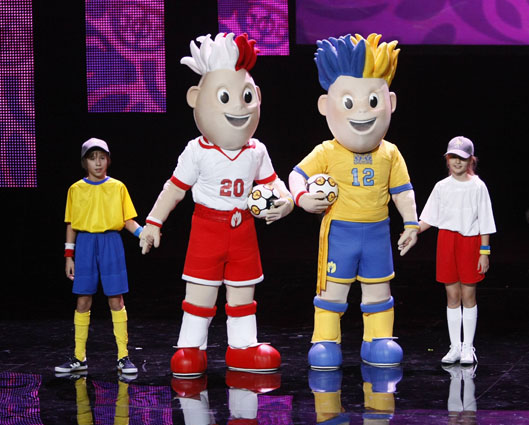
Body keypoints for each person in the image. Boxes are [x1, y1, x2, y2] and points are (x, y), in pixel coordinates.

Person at [139, 33, 293, 377]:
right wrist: (153, 222)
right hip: (207, 228)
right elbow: (174, 189)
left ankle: (243, 348)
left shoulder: (257, 150)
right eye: (225, 97)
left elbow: (274, 184)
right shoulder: (197, 150)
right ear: (196, 98)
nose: (238, 106)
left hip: (244, 230)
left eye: (246, 96)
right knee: (201, 293)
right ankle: (190, 348)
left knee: (242, 293)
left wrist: (285, 203)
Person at [288, 33, 419, 370]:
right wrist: (302, 198)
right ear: (325, 106)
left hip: (377, 232)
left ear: (389, 103)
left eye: (372, 102)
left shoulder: (390, 153)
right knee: (332, 293)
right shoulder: (327, 151)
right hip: (339, 233)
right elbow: (297, 175)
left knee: (378, 292)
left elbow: (402, 191)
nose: (362, 111)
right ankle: (325, 341)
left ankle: (378, 339)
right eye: (349, 102)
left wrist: (411, 222)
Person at [55, 137, 141, 375]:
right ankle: (78, 357)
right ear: (85, 162)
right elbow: (71, 224)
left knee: (116, 299)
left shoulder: (118, 187)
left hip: (110, 243)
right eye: (92, 158)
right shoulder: (76, 189)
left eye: (102, 157)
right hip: (85, 245)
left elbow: (127, 221)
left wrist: (143, 234)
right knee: (83, 300)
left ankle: (123, 357)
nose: (98, 163)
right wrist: (68, 256)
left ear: (108, 160)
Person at [418, 136, 496, 365]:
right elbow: (429, 218)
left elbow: (486, 220)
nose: (457, 162)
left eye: (462, 158)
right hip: (446, 241)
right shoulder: (441, 187)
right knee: (452, 296)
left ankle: (468, 347)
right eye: (453, 157)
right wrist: (412, 231)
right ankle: (454, 347)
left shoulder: (478, 186)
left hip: (470, 243)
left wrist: (484, 251)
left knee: (468, 295)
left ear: (471, 160)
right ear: (447, 159)